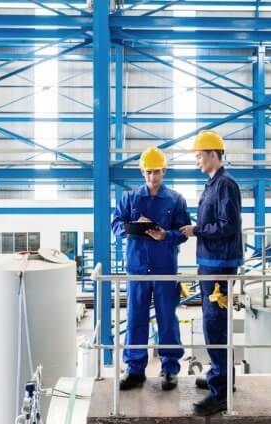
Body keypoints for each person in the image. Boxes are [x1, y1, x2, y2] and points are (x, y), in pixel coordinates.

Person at [111, 147, 192, 391]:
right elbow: (116, 224)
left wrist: (166, 235)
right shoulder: (130, 198)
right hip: (137, 268)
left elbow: (184, 232)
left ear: (164, 171)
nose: (152, 177)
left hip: (164, 268)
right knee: (136, 318)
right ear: (142, 172)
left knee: (167, 319)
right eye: (148, 172)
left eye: (156, 172)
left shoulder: (176, 200)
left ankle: (169, 369)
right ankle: (135, 370)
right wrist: (132, 226)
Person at [179, 130, 243, 416]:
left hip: (219, 265)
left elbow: (228, 225)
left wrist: (197, 230)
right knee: (214, 324)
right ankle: (221, 376)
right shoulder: (213, 184)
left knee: (215, 326)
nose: (197, 161)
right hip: (211, 262)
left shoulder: (225, 185)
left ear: (213, 154)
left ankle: (221, 394)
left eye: (199, 156)